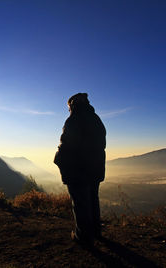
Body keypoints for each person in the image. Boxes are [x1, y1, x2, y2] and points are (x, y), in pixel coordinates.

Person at [54, 93, 106, 246]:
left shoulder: (73, 120)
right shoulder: (96, 119)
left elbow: (66, 144)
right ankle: (96, 231)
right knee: (93, 200)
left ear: (73, 105)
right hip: (95, 168)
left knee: (80, 202)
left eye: (69, 106)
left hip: (78, 169)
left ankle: (82, 236)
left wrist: (58, 157)